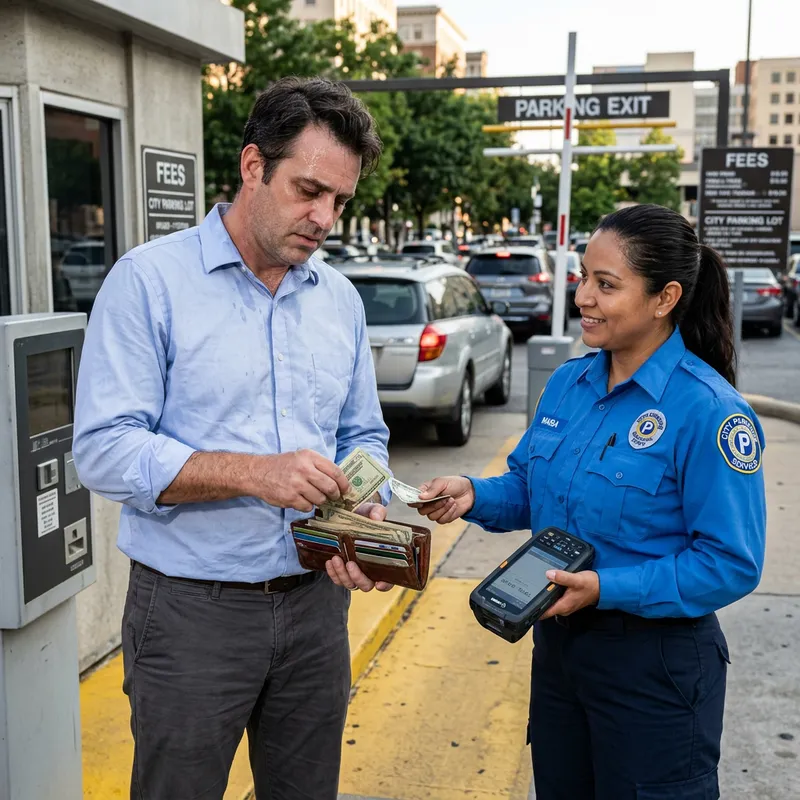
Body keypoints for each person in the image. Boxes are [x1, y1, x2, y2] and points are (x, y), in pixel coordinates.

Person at [73, 77, 396, 800]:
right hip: (191, 615)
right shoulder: (149, 282)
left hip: (317, 608)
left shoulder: (337, 299)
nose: (324, 218)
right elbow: (102, 447)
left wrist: (362, 506)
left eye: (339, 201)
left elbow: (362, 433)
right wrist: (254, 473)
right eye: (308, 190)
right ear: (254, 166)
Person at [415, 204, 767, 800]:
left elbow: (730, 562)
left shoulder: (710, 411)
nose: (583, 297)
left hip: (655, 667)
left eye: (606, 285)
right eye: (583, 277)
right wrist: (471, 494)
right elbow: (529, 487)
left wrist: (606, 589)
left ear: (665, 298)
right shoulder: (569, 384)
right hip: (560, 653)